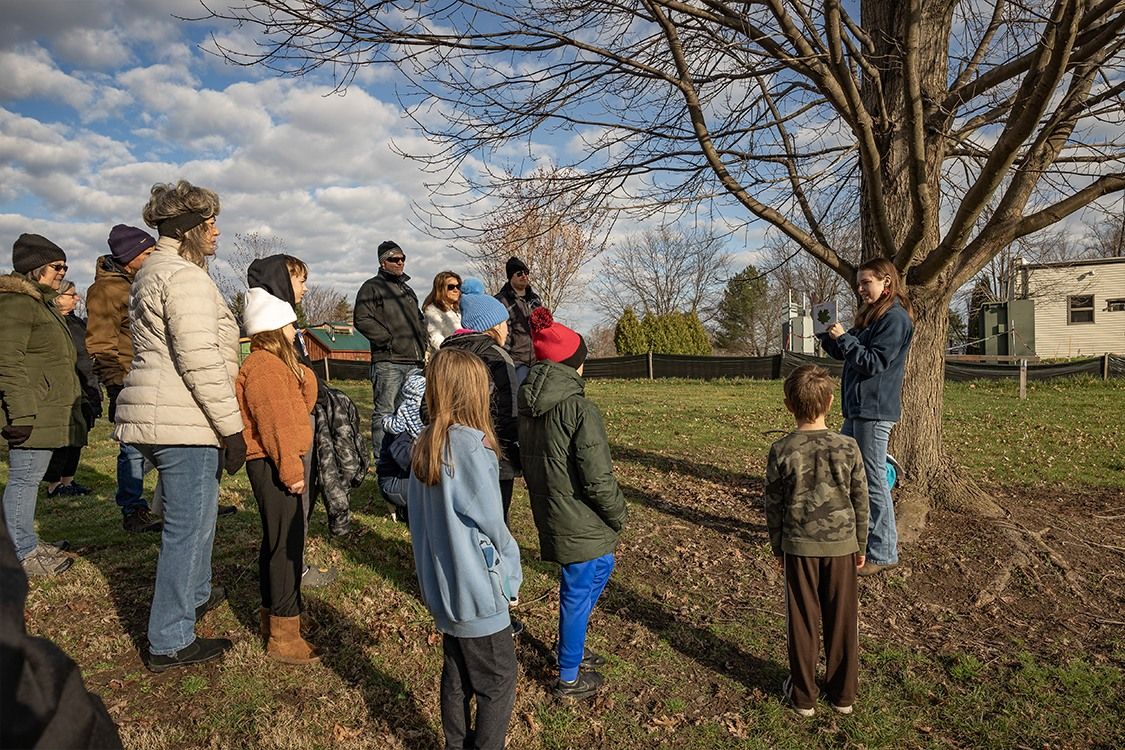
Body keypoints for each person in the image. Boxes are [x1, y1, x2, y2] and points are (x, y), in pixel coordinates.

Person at [114, 180, 245, 672]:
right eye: (209, 224)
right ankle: (169, 639)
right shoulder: (184, 278)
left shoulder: (157, 271)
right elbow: (200, 361)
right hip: (184, 422)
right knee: (187, 530)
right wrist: (231, 430)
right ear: (187, 228)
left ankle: (193, 598)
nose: (216, 232)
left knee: (198, 519)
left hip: (170, 418)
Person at [408, 349, 522, 750]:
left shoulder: (425, 443)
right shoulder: (470, 448)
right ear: (473, 392)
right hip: (477, 594)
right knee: (497, 681)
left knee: (456, 675)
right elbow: (493, 525)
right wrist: (510, 575)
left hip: (444, 590)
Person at [518, 307, 626, 699]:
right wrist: (619, 514)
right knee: (578, 590)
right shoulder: (579, 409)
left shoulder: (528, 405)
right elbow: (597, 479)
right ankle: (568, 676)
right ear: (573, 365)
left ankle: (573, 646)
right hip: (578, 514)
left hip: (554, 511)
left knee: (603, 564)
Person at [764, 364, 868, 717]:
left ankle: (804, 696)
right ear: (829, 401)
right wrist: (861, 545)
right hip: (843, 547)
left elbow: (773, 505)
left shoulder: (781, 449)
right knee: (843, 619)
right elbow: (861, 500)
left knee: (803, 620)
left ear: (788, 405)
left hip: (798, 548)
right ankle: (843, 696)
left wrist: (778, 547)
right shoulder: (849, 446)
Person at [236, 288, 322, 665]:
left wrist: (299, 371)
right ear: (275, 326)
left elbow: (299, 404)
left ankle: (274, 617)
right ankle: (284, 636)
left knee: (278, 541)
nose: (296, 331)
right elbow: (278, 426)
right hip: (275, 462)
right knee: (286, 546)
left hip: (277, 458)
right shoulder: (265, 368)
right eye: (291, 325)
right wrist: (292, 471)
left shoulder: (273, 366)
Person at [816, 258, 914, 577]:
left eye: (865, 283)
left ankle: (883, 552)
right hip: (857, 409)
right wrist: (827, 334)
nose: (860, 289)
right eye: (858, 284)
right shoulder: (872, 317)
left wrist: (845, 337)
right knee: (847, 472)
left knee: (872, 481)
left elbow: (872, 363)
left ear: (886, 282)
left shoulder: (895, 319)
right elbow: (848, 353)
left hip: (874, 412)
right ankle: (851, 537)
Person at [247, 254, 337, 586]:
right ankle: (289, 574)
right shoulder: (270, 343)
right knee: (288, 515)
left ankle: (292, 567)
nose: (306, 288)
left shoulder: (288, 330)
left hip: (299, 425)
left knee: (297, 512)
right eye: (300, 280)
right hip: (288, 436)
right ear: (282, 282)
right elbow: (277, 412)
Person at [0, 234, 82, 577]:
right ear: (36, 268)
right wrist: (22, 413)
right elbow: (7, 362)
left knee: (29, 479)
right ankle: (19, 552)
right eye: (56, 266)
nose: (62, 272)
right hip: (31, 412)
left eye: (64, 265)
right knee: (24, 480)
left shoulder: (39, 303)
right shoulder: (16, 303)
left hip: (44, 410)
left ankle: (25, 540)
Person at [86, 224, 162, 533]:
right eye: (147, 252)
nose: (153, 256)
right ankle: (133, 510)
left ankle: (173, 502)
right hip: (128, 379)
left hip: (153, 375)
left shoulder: (142, 282)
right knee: (131, 447)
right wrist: (116, 384)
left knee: (166, 442)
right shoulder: (105, 291)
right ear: (128, 257)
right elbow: (101, 344)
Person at [440, 279, 521, 522]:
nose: (508, 328)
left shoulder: (444, 355)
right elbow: (509, 409)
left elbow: (428, 407)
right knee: (495, 519)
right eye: (505, 322)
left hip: (449, 452)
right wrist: (512, 455)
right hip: (493, 453)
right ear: (493, 325)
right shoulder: (497, 356)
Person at [353, 240, 427, 460]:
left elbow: (419, 320)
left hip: (413, 361)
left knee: (411, 410)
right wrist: (387, 340)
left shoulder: (407, 290)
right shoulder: (372, 287)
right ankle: (381, 458)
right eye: (394, 259)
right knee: (385, 411)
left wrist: (422, 340)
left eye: (403, 258)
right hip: (389, 361)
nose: (400, 262)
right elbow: (362, 318)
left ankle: (406, 456)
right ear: (383, 262)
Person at [43, 280, 100, 498]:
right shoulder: (52, 323)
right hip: (67, 386)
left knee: (79, 436)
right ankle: (54, 484)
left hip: (86, 384)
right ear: (58, 297)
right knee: (63, 438)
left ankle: (68, 481)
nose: (77, 298)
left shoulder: (77, 322)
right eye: (71, 295)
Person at [494, 256, 542, 384]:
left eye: (526, 273)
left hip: (537, 359)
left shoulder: (535, 299)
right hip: (515, 361)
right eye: (519, 273)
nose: (524, 276)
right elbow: (500, 333)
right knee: (518, 399)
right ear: (510, 277)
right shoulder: (501, 300)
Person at [421, 271, 462, 358]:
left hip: (464, 356)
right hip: (446, 358)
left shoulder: (460, 309)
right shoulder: (432, 310)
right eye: (451, 287)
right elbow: (435, 338)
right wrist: (452, 354)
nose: (456, 290)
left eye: (458, 286)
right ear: (440, 289)